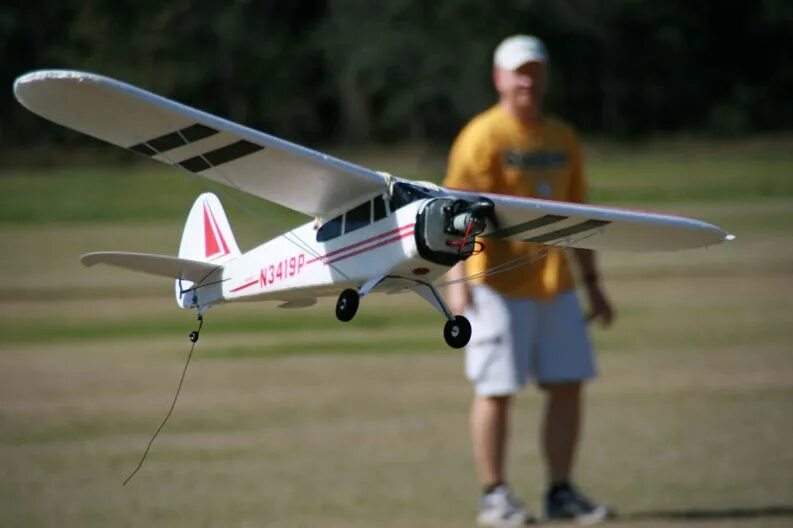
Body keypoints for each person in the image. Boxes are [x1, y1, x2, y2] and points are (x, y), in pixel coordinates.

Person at [443, 35, 614, 526]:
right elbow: (452, 214)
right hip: (493, 282)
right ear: (499, 78)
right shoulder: (482, 136)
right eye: (517, 72)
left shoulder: (562, 138)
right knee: (497, 388)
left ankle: (560, 491)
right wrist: (458, 280)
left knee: (569, 383)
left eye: (534, 71)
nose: (526, 81)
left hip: (555, 282)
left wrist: (594, 285)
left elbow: (578, 217)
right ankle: (494, 495)